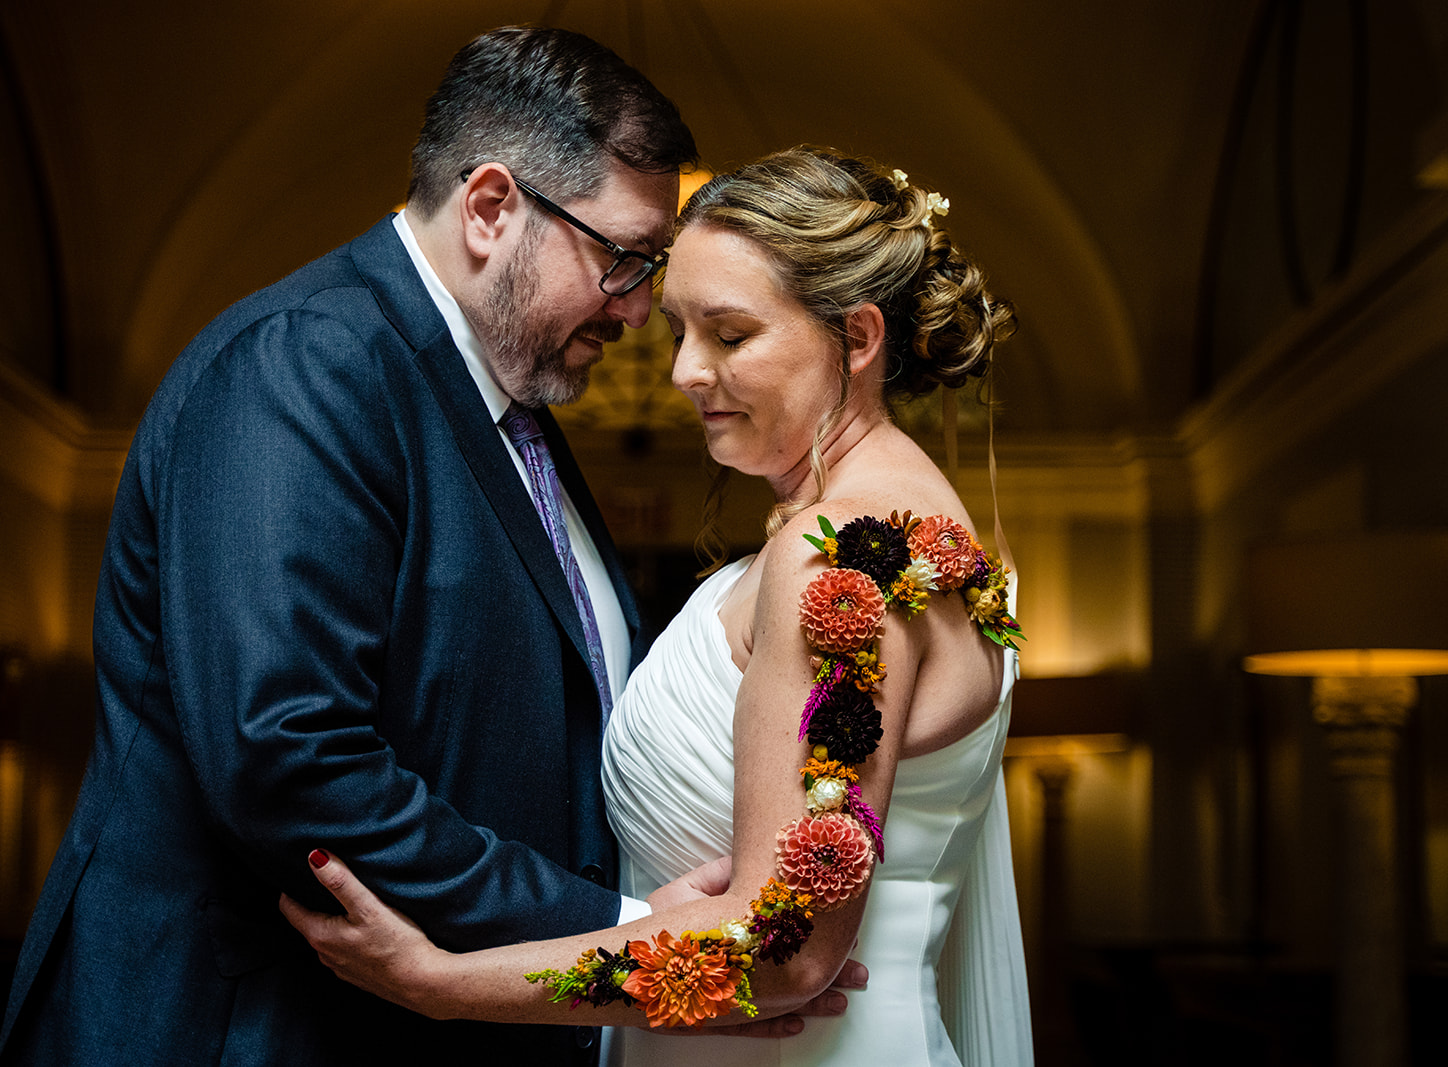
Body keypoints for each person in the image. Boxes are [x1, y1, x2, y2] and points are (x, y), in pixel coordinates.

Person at [0, 26, 735, 1066]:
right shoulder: (308, 362)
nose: (638, 308)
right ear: (489, 207)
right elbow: (289, 754)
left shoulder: (508, 414)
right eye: (621, 258)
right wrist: (610, 930)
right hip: (256, 1032)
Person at [283, 147, 1036, 1065]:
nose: (682, 369)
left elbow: (782, 952)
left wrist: (442, 983)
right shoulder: (926, 538)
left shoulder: (835, 559)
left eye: (729, 334)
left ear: (859, 337)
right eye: (678, 329)